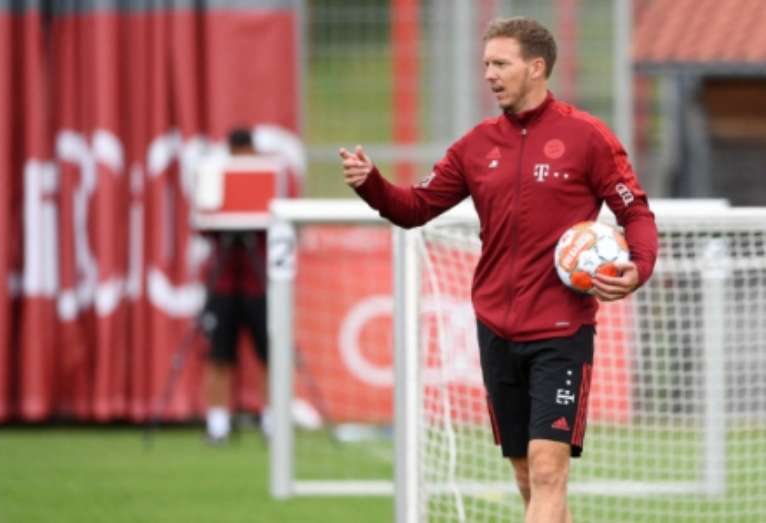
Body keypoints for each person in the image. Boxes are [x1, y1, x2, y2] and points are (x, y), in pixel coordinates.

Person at [339, 17, 658, 523]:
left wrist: (638, 268)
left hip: (561, 330)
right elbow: (415, 207)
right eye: (485, 63)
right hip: (495, 328)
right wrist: (371, 184)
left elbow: (635, 212)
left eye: (500, 63)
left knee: (549, 472)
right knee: (528, 479)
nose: (488, 74)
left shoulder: (587, 137)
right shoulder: (475, 145)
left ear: (536, 67)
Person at [201, 128, 272, 443]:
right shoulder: (214, 177)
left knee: (269, 354)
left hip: (259, 282)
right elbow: (204, 226)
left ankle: (271, 421)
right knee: (219, 355)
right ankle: (218, 424)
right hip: (224, 282)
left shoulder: (268, 179)